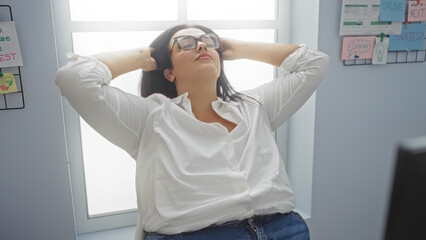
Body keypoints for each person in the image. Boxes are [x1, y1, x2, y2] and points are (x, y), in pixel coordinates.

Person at [55, 24, 329, 240]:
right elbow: (74, 78)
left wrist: (240, 48)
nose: (202, 44)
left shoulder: (255, 106)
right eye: (185, 43)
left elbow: (314, 63)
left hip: (285, 229)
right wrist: (143, 57)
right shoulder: (149, 117)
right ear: (169, 72)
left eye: (210, 41)